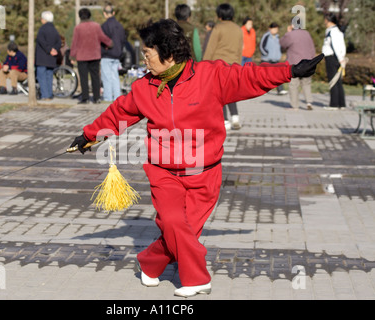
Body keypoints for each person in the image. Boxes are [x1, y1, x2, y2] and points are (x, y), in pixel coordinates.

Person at [68, 19, 323, 297]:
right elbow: (120, 112)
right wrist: (89, 135)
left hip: (204, 172)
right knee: (176, 223)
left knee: (181, 232)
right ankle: (197, 278)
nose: (144, 58)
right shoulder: (145, 87)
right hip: (163, 171)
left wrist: (291, 71)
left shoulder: (210, 76)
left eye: (148, 53)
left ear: (168, 53)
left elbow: (250, 76)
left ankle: (149, 265)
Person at [203, 3, 243, 130]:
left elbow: (210, 48)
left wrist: (204, 64)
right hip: (233, 65)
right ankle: (235, 116)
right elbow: (239, 49)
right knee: (230, 91)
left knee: (219, 93)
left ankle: (225, 120)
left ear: (219, 15)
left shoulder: (218, 28)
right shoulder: (238, 29)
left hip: (218, 65)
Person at [70, 8, 112, 104]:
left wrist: (72, 56)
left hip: (82, 56)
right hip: (94, 55)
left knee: (83, 77)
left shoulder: (78, 28)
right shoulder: (96, 26)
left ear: (80, 16)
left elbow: (74, 43)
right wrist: (110, 43)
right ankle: (97, 98)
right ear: (90, 16)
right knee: (95, 77)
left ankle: (85, 98)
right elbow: (103, 38)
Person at [280, 23, 316, 111]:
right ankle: (309, 102)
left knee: (293, 84)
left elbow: (282, 44)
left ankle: (295, 106)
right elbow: (312, 48)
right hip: (307, 63)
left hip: (294, 63)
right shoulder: (307, 33)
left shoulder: (291, 35)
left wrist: (287, 32)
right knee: (306, 83)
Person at [101, 5, 126, 102]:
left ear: (104, 13)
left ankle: (107, 97)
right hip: (117, 54)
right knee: (115, 77)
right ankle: (117, 97)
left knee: (106, 77)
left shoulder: (104, 26)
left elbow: (101, 40)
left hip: (107, 54)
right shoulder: (119, 25)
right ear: (113, 12)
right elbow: (123, 39)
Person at [322, 13, 346, 110]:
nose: (324, 22)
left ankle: (334, 104)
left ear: (328, 20)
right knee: (338, 81)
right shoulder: (335, 31)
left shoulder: (333, 31)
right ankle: (341, 103)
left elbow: (336, 46)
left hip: (333, 58)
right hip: (335, 57)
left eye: (325, 20)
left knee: (333, 81)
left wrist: (341, 58)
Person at [36, 11, 61, 101]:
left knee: (41, 77)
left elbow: (41, 41)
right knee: (49, 77)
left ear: (44, 19)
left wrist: (49, 49)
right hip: (51, 58)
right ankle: (49, 94)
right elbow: (59, 42)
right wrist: (54, 49)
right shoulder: (55, 30)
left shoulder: (42, 29)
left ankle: (45, 95)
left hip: (42, 58)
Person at [260, 22, 288, 95]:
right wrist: (266, 54)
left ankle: (280, 90)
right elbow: (261, 46)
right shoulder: (266, 36)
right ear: (270, 28)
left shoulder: (278, 37)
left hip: (275, 60)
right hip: (267, 59)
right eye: (274, 28)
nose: (275, 30)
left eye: (276, 29)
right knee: (265, 76)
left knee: (278, 75)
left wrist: (279, 55)